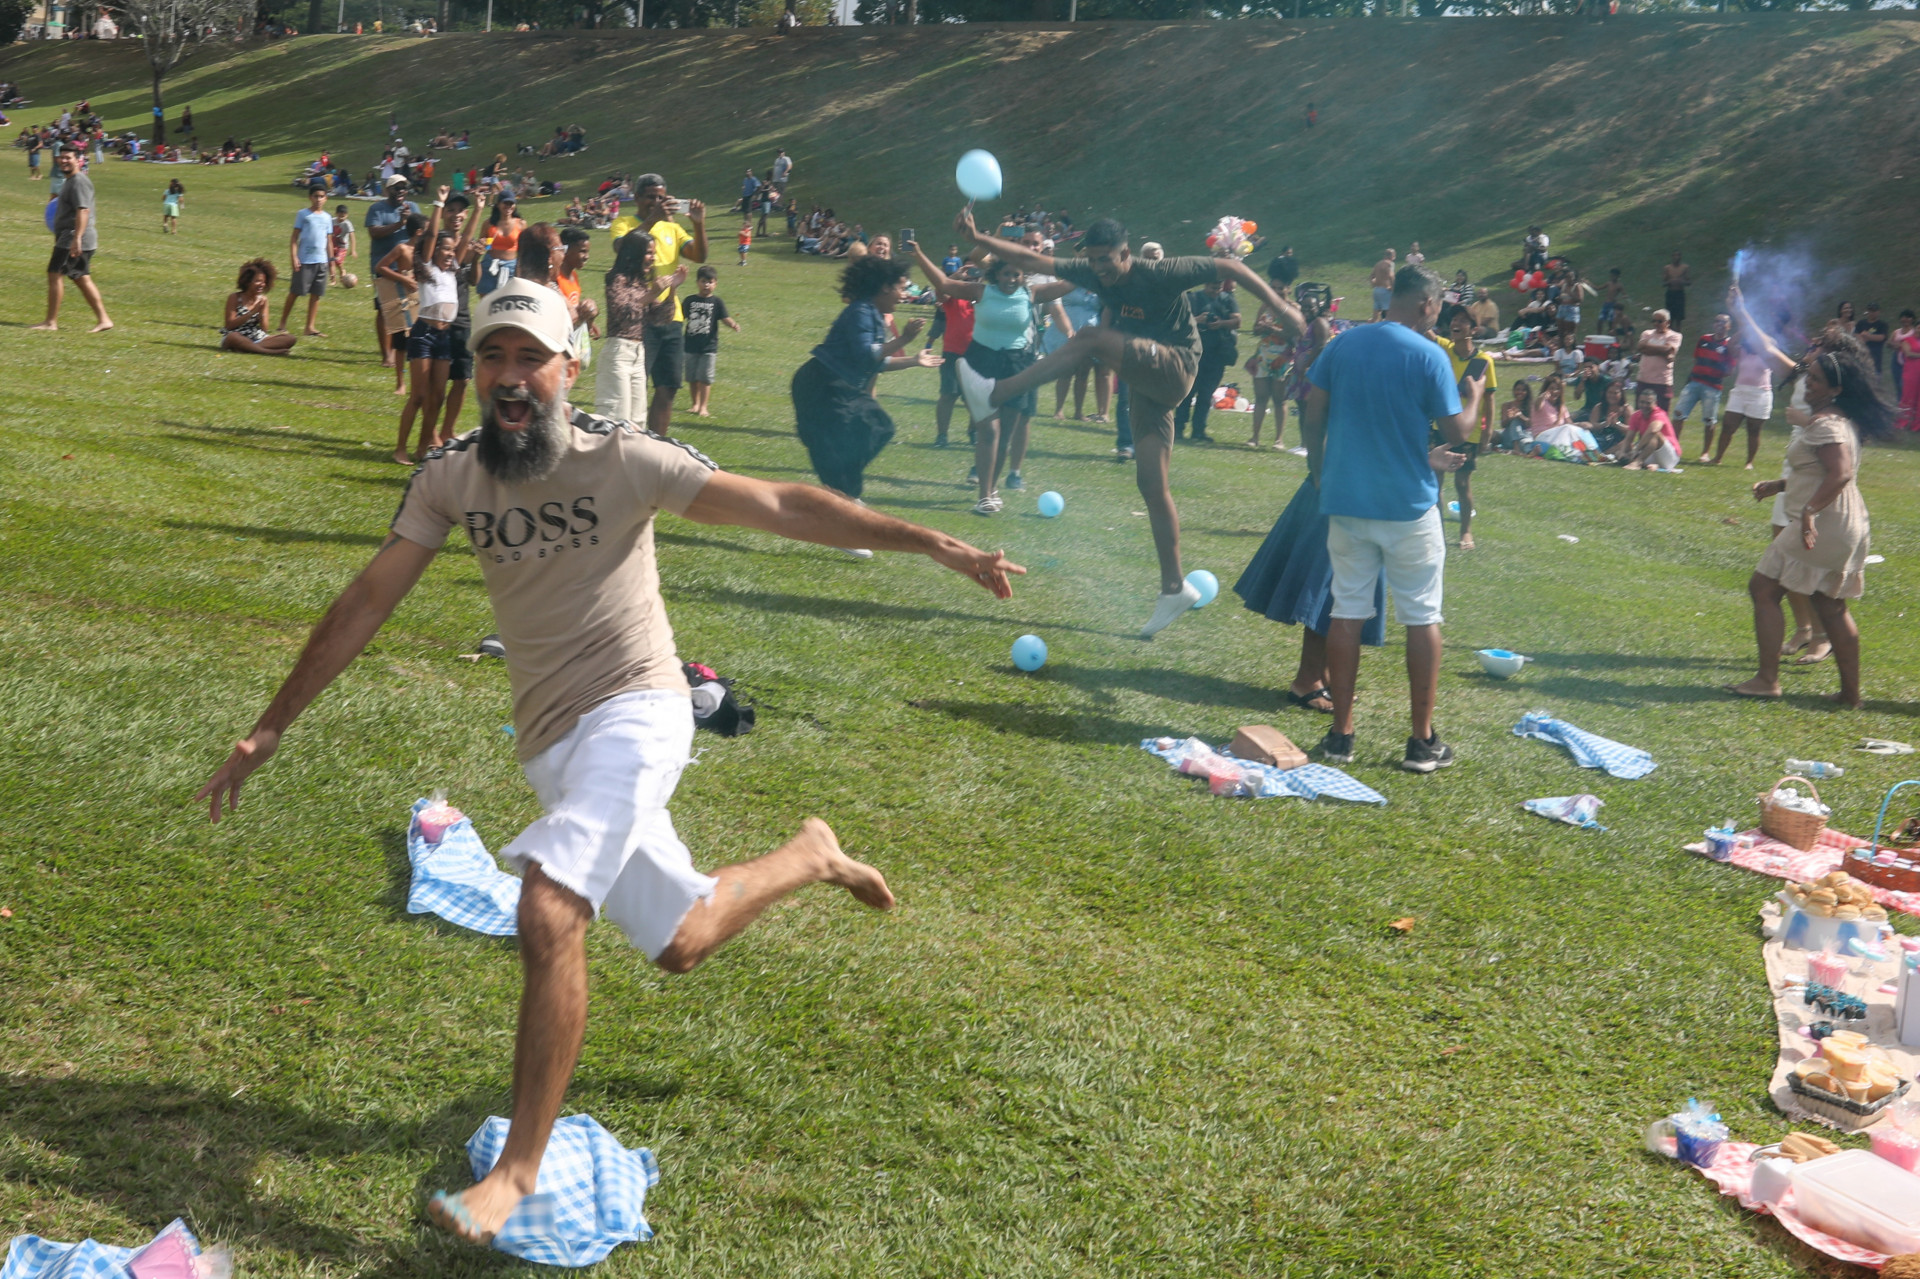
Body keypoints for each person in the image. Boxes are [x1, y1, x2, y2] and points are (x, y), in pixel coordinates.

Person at [193, 277, 1023, 1249]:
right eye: (492, 356)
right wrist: (271, 724)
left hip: (640, 706)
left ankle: (518, 1171)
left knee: (549, 905)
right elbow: (367, 599)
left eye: (528, 358)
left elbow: (785, 504)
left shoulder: (624, 456)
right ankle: (811, 853)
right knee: (681, 939)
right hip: (554, 744)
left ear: (567, 366)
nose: (509, 378)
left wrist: (930, 542)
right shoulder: (451, 477)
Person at [950, 211, 1303, 636]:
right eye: (1095, 260)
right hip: (1145, 379)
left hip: (1176, 365)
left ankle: (995, 393)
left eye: (1109, 259)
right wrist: (977, 237)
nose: (1101, 268)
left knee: (1091, 338)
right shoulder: (1092, 271)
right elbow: (1032, 263)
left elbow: (1230, 266)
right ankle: (1174, 587)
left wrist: (1282, 309)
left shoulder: (1160, 272)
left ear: (1127, 253)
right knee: (1152, 486)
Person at [1301, 264, 1484, 772]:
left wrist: (1319, 470)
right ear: (1427, 304)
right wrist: (1472, 397)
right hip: (1407, 505)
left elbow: (1313, 412)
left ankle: (1341, 734)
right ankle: (1422, 741)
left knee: (1347, 612)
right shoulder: (1428, 354)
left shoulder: (1343, 342)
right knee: (1423, 616)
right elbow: (1457, 430)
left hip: (1347, 500)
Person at [1725, 297, 1895, 707]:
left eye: (1816, 370)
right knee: (1829, 604)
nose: (1807, 370)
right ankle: (1850, 696)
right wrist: (1781, 485)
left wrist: (1808, 514)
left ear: (1835, 380)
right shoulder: (1837, 416)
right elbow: (1824, 471)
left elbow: (1839, 473)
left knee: (1763, 588)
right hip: (1844, 518)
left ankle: (1768, 680)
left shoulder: (1827, 422)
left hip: (1825, 518)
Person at [1235, 446, 1467, 715]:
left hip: (1353, 490)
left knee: (1337, 589)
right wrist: (1426, 458)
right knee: (1330, 590)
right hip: (1346, 491)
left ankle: (1321, 675)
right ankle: (1307, 680)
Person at [914, 245, 1073, 514]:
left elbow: (1070, 284)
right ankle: (984, 495)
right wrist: (917, 252)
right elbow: (942, 283)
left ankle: (992, 488)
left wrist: (1092, 263)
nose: (1011, 279)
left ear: (1024, 277)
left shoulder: (1031, 293)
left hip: (1018, 365)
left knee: (1006, 435)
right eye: (1007, 274)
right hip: (981, 363)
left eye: (1017, 275)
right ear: (996, 275)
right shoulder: (981, 292)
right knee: (989, 431)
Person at [791, 256, 942, 528]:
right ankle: (842, 513)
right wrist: (903, 340)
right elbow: (866, 354)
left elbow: (875, 362)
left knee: (877, 428)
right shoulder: (861, 311)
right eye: (901, 288)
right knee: (847, 446)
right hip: (821, 384)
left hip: (837, 386)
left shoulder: (872, 314)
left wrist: (914, 360)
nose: (904, 295)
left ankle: (841, 500)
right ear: (884, 287)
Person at [632, 175, 708, 438]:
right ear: (637, 198)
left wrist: (699, 225)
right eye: (650, 197)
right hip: (638, 314)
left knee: (668, 386)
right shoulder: (624, 224)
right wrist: (653, 218)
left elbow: (699, 256)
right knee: (635, 383)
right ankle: (631, 440)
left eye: (661, 197)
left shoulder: (672, 229)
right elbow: (625, 248)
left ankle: (656, 445)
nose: (656, 202)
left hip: (671, 317)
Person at [1433, 308, 1495, 550]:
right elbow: (1426, 330)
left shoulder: (1484, 361)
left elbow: (1489, 400)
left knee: (1461, 483)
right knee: (1435, 481)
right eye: (1453, 320)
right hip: (1441, 425)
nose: (1455, 324)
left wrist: (1487, 433)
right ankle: (1436, 529)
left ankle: (1466, 531)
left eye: (1462, 321)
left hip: (1470, 431)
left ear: (1474, 329)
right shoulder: (1443, 349)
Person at [32, 147, 111, 333]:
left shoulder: (79, 182)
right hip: (72, 237)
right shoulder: (70, 181)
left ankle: (50, 322)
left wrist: (76, 238)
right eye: (61, 158)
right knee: (80, 277)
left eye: (68, 158)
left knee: (55, 273)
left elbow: (83, 210)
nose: (64, 161)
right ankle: (104, 320)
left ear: (78, 160)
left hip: (73, 237)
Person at [910, 239, 976, 450]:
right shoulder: (954, 296)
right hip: (953, 352)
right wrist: (956, 277)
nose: (972, 275)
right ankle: (942, 435)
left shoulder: (985, 295)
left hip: (978, 353)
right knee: (948, 394)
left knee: (976, 398)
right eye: (969, 271)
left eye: (976, 271)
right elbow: (941, 292)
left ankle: (974, 432)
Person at [1247, 259, 1305, 449]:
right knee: (1261, 397)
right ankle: (1254, 437)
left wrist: (1272, 328)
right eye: (1273, 288)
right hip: (1263, 355)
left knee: (1280, 400)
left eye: (1280, 288)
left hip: (1284, 358)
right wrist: (1261, 328)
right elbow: (1255, 329)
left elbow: (1296, 334)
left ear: (1288, 288)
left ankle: (1279, 440)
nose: (1276, 292)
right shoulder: (1265, 306)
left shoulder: (1294, 309)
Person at [1174, 279, 1240, 444]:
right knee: (1187, 392)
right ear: (1205, 284)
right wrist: (1198, 320)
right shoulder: (1193, 299)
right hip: (1194, 353)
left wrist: (1221, 323)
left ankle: (1199, 430)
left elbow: (1237, 321)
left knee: (1206, 394)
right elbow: (1179, 320)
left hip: (1217, 354)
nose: (1215, 289)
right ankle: (1178, 428)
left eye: (1218, 286)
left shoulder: (1227, 300)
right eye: (1212, 285)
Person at [365, 175, 420, 368]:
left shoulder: (413, 207)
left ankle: (408, 351)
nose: (401, 191)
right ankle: (387, 355)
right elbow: (374, 232)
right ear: (388, 190)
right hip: (384, 267)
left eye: (404, 188)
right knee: (384, 310)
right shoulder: (377, 209)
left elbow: (420, 231)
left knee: (412, 310)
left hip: (409, 267)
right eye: (396, 188)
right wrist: (400, 224)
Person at [1712, 313, 1780, 468]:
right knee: (1728, 426)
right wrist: (1745, 328)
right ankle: (1717, 458)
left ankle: (1749, 462)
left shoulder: (1768, 353)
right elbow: (1730, 345)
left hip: (1760, 394)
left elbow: (1772, 343)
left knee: (1754, 430)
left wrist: (1761, 333)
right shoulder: (1743, 351)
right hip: (1740, 392)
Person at [279, 180, 334, 337]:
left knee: (316, 294)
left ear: (326, 199)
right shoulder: (303, 214)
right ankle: (282, 323)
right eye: (316, 196)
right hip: (305, 260)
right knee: (295, 292)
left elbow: (329, 241)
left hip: (321, 261)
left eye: (322, 196)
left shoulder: (327, 218)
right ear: (310, 197)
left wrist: (331, 263)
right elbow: (294, 237)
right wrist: (294, 257)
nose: (319, 200)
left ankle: (310, 327)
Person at [683, 265, 738, 418]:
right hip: (690, 345)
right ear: (697, 282)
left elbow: (724, 317)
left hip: (709, 347)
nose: (706, 285)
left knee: (705, 378)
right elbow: (680, 317)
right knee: (692, 378)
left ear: (715, 284)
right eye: (703, 281)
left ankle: (703, 407)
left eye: (710, 282)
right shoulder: (690, 300)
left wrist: (733, 324)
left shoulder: (717, 302)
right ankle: (694, 404)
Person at [1675, 312, 1732, 459]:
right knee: (1679, 414)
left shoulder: (1729, 345)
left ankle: (1705, 453)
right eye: (1717, 321)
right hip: (1694, 382)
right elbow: (1697, 359)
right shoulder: (1704, 339)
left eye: (1723, 322)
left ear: (1728, 326)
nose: (1719, 324)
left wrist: (1714, 373)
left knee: (1709, 420)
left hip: (1712, 387)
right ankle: (1673, 447)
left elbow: (1730, 370)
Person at [221, 258, 298, 355]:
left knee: (290, 338)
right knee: (233, 337)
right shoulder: (235, 297)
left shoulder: (263, 300)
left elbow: (264, 330)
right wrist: (252, 313)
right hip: (236, 335)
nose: (262, 285)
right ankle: (266, 351)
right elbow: (229, 325)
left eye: (264, 282)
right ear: (247, 282)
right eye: (258, 281)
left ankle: (247, 348)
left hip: (257, 338)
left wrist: (261, 314)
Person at [476, 190, 524, 297]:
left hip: (511, 266)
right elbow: (481, 243)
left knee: (510, 299)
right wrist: (484, 243)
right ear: (498, 205)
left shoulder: (520, 223)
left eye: (511, 204)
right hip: (490, 264)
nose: (508, 206)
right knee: (486, 299)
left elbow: (525, 247)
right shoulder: (488, 223)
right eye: (505, 203)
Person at [1634, 309, 1682, 412]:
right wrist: (1662, 350)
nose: (1656, 323)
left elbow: (1668, 349)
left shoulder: (1675, 336)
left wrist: (1647, 349)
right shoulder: (1647, 333)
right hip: (1643, 380)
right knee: (1640, 413)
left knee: (1661, 414)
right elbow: (1640, 347)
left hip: (1662, 382)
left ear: (1668, 322)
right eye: (1654, 321)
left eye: (1660, 321)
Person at [1894, 309, 1920, 430]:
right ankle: (1902, 422)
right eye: (1919, 328)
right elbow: (1908, 354)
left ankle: (1916, 424)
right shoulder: (1907, 340)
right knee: (1908, 396)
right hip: (1910, 372)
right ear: (1915, 328)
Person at [1855, 302, 1889, 379]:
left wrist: (1868, 336)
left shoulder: (1882, 324)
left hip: (1876, 359)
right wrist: (1862, 338)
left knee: (1876, 382)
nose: (1872, 313)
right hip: (1861, 357)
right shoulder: (1861, 323)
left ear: (1878, 312)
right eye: (1870, 311)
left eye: (1874, 311)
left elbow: (1882, 337)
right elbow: (1855, 334)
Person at [1661, 251, 1691, 327]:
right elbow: (1663, 283)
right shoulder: (1667, 268)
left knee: (1679, 317)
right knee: (1669, 316)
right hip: (1670, 294)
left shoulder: (1685, 267)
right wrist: (1670, 282)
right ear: (1672, 257)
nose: (1676, 257)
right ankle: (1669, 333)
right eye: (1674, 255)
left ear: (1680, 257)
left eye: (1678, 255)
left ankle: (1678, 335)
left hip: (1679, 294)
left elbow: (1689, 282)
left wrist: (1681, 281)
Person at [329, 203, 356, 284]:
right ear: (336, 214)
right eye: (339, 216)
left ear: (347, 215)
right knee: (331, 262)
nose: (341, 218)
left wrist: (353, 250)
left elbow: (352, 237)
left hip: (342, 247)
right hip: (332, 245)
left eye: (343, 216)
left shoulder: (347, 224)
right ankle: (333, 280)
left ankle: (342, 270)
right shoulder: (331, 221)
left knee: (337, 261)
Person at [1369, 247, 1396, 322]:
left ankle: (1369, 326)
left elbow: (1371, 276)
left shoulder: (1378, 264)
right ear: (1392, 256)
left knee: (1375, 317)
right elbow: (1391, 276)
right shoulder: (1390, 264)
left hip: (1376, 290)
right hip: (1385, 290)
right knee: (1389, 316)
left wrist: (1374, 284)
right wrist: (1393, 288)